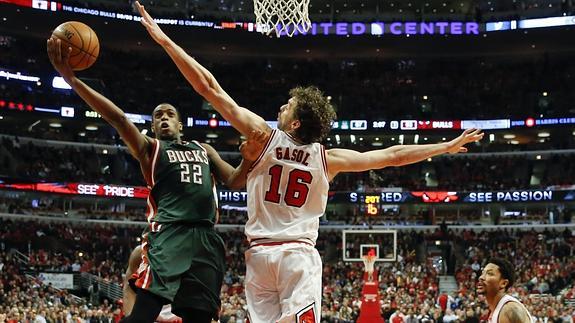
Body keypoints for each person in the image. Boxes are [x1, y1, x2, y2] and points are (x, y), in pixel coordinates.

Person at [135, 3, 484, 322]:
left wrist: (165, 40)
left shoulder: (262, 136)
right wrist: (444, 147)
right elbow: (393, 156)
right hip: (296, 257)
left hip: (258, 258)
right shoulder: (327, 159)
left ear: (296, 122)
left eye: (288, 106)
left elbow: (209, 88)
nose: (281, 107)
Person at [47, 38, 257, 323]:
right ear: (154, 126)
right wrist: (71, 79)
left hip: (207, 238)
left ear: (180, 125)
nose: (165, 118)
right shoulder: (150, 149)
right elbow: (119, 119)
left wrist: (248, 157)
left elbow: (234, 181)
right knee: (144, 314)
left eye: (170, 114)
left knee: (201, 317)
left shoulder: (204, 150)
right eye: (159, 116)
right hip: (169, 235)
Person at [477, 258, 533, 323]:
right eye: (483, 273)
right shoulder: (494, 311)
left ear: (503, 283)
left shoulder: (509, 310)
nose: (481, 277)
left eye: (490, 273)